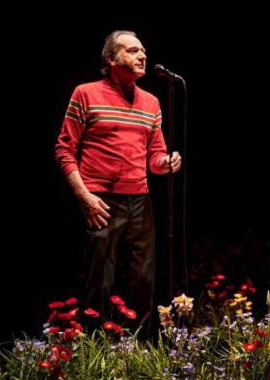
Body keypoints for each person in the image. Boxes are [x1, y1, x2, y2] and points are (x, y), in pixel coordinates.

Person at [54, 30, 182, 335]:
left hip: (140, 203)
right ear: (111, 59)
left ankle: (134, 356)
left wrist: (166, 162)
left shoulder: (151, 102)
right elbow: (64, 149)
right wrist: (84, 196)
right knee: (98, 283)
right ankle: (92, 358)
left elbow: (155, 156)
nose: (142, 56)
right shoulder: (85, 93)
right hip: (100, 201)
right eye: (133, 50)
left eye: (143, 51)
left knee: (142, 282)